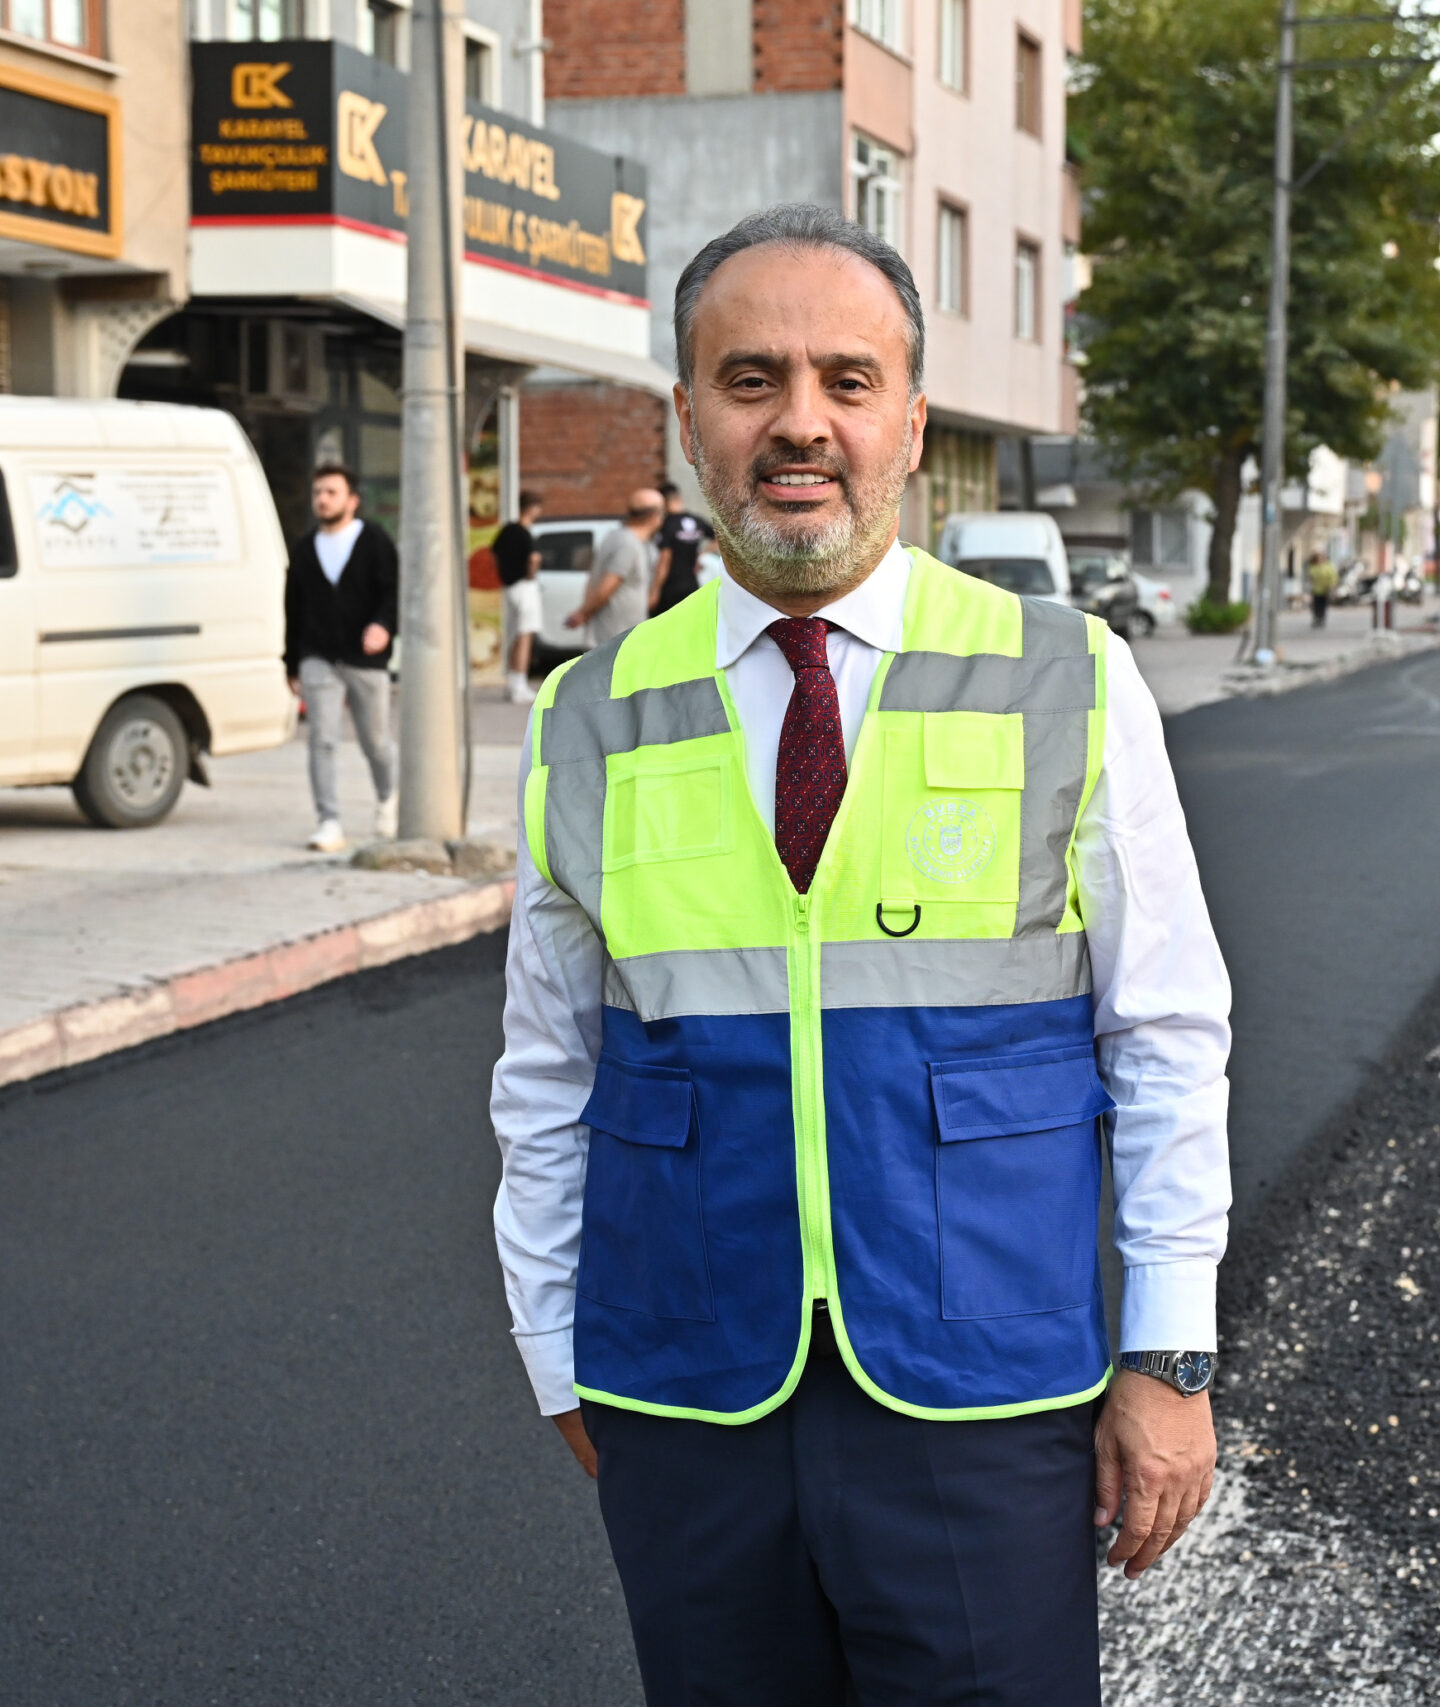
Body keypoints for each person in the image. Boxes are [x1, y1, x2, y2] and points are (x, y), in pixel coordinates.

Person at [493, 204, 1232, 1706]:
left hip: (985, 1384)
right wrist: (554, 1346)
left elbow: (1164, 1032)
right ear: (687, 415)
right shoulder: (590, 712)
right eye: (751, 378)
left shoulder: (1067, 676)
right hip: (686, 1386)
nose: (800, 422)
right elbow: (545, 1066)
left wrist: (1170, 1355)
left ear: (909, 415)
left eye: (847, 377)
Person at [283, 464, 399, 853]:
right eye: (318, 492)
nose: (322, 499)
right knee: (322, 739)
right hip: (318, 656)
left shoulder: (375, 540)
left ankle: (387, 800)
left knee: (376, 741)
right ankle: (328, 820)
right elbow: (292, 609)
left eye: (331, 492)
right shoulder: (303, 549)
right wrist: (292, 664)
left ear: (352, 500)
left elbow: (392, 592)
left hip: (365, 660)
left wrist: (383, 626)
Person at [566, 487, 661, 649]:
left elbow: (593, 578)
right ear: (653, 517)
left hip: (618, 636)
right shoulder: (628, 544)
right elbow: (608, 585)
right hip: (616, 638)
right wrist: (583, 613)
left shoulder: (616, 536)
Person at [491, 490, 544, 703]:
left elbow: (494, 553)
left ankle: (514, 683)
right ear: (531, 508)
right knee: (525, 634)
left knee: (516, 634)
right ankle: (520, 684)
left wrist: (505, 572)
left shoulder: (507, 531)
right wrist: (531, 573)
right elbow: (533, 558)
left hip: (509, 586)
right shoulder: (523, 532)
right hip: (524, 585)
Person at [648, 482, 715, 615]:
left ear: (662, 501)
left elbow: (664, 560)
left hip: (670, 588)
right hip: (692, 585)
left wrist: (654, 591)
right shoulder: (696, 520)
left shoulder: (666, 525)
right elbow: (719, 536)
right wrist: (702, 554)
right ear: (679, 497)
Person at [1306, 551, 1338, 627]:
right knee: (1315, 605)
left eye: (1320, 558)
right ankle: (1316, 618)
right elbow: (1311, 575)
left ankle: (1322, 618)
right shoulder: (1313, 566)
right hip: (1316, 589)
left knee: (1323, 605)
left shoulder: (1328, 566)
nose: (1319, 559)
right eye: (1318, 558)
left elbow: (1333, 576)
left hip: (1325, 589)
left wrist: (1332, 585)